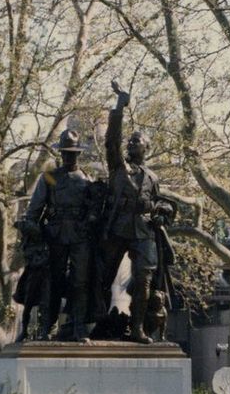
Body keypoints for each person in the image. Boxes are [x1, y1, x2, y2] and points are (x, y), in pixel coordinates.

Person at [102, 79, 173, 343]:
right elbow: (112, 140)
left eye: (136, 142)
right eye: (130, 141)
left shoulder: (152, 177)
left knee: (144, 281)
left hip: (144, 230)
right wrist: (120, 104)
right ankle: (89, 322)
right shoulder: (118, 167)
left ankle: (137, 329)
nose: (131, 144)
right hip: (119, 226)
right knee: (104, 274)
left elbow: (160, 202)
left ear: (146, 148)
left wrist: (161, 210)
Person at [24, 128, 92, 340]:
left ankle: (79, 327)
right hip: (55, 234)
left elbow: (94, 208)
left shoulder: (87, 179)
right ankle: (47, 327)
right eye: (64, 152)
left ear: (78, 153)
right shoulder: (51, 178)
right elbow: (36, 206)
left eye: (71, 152)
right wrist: (31, 226)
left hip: (80, 235)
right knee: (53, 280)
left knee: (80, 281)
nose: (67, 156)